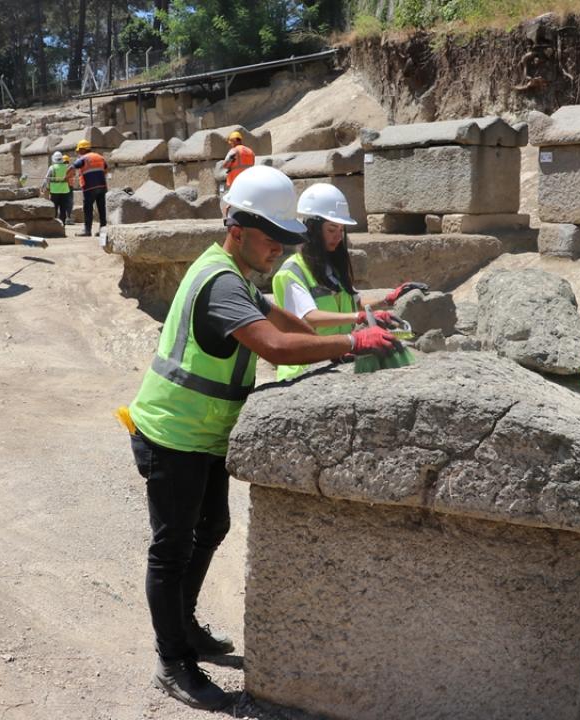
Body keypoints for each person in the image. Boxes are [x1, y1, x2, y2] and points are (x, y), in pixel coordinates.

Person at [126, 165, 397, 711]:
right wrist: (350, 345)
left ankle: (184, 626)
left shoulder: (240, 272)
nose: (278, 250)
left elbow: (281, 318)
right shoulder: (222, 280)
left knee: (212, 525)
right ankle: (173, 660)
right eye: (271, 239)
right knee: (171, 549)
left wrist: (358, 327)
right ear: (237, 227)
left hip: (203, 434)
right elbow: (272, 344)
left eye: (284, 241)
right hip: (173, 432)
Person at [270, 182, 406, 380]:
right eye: (332, 230)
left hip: (334, 360)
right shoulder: (293, 271)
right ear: (312, 229)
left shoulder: (332, 266)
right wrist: (357, 319)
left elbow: (355, 303)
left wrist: (387, 301)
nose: (338, 237)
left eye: (341, 230)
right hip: (303, 369)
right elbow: (309, 316)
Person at [71, 140, 107, 236]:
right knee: (101, 209)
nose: (78, 152)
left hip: (89, 188)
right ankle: (103, 230)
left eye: (79, 150)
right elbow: (106, 169)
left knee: (88, 209)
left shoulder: (84, 158)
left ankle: (87, 231)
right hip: (102, 186)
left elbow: (72, 167)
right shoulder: (100, 157)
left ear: (83, 149)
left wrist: (66, 176)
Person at [44, 152, 75, 224]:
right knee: (63, 209)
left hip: (55, 191)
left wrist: (47, 188)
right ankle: (62, 224)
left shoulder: (52, 167)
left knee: (54, 208)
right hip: (65, 191)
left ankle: (55, 224)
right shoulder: (66, 167)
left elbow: (47, 179)